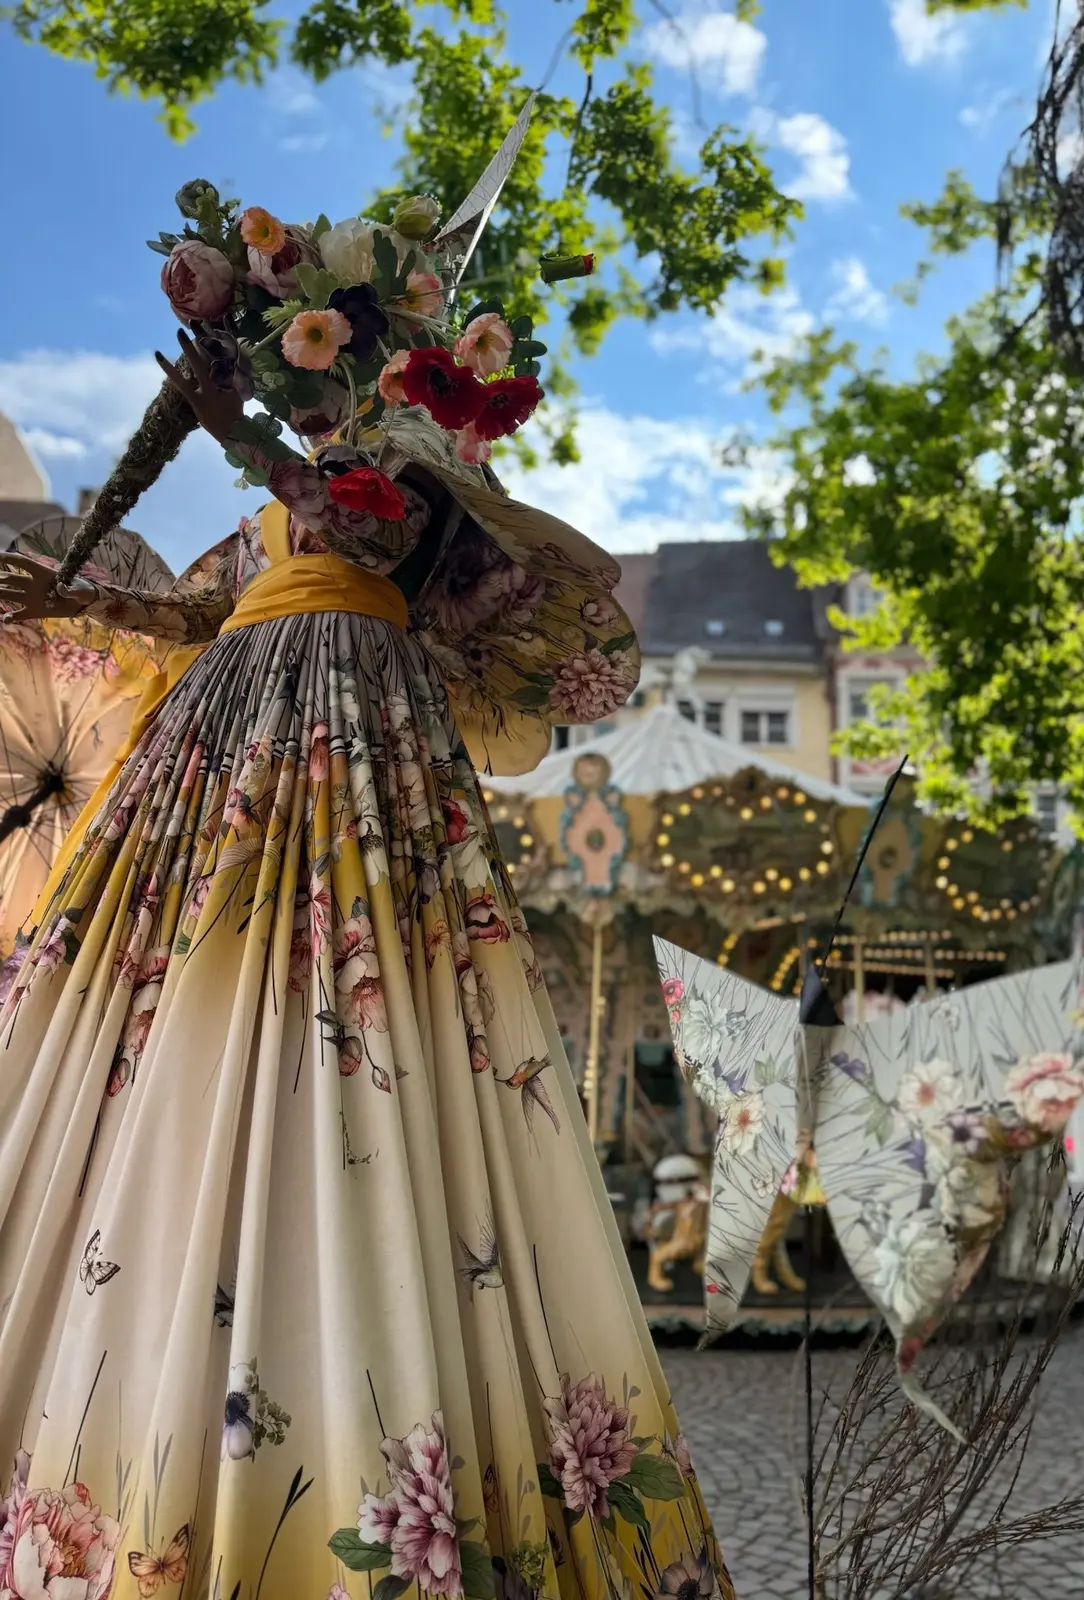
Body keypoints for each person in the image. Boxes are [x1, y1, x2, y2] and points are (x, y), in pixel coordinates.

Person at [0, 331, 734, 1600]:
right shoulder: (267, 516)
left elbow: (359, 524)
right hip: (228, 739)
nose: (306, 383)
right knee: (179, 1032)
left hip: (349, 737)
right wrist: (77, 604)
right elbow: (197, 610)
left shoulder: (408, 466)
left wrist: (234, 426)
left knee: (367, 1024)